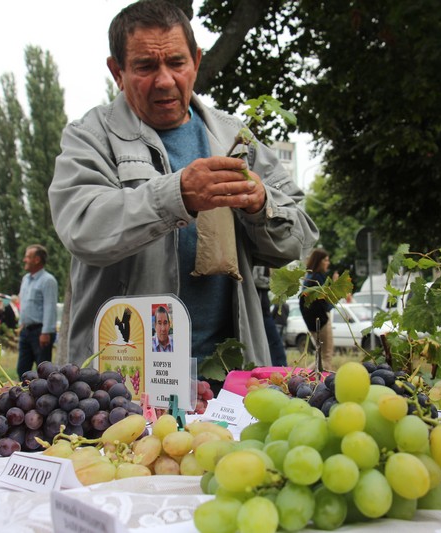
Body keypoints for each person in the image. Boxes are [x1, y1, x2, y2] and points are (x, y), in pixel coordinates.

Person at [49, 0, 318, 367]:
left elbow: (300, 239)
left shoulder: (234, 137)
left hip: (229, 374)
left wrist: (260, 204)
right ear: (117, 71)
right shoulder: (91, 137)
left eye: (176, 62)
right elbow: (82, 228)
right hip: (126, 375)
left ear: (196, 60)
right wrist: (177, 196)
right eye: (145, 66)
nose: (164, 80)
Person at [17, 244, 58, 378]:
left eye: (28, 257)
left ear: (37, 260)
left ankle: (43, 397)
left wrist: (46, 332)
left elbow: (50, 306)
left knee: (44, 372)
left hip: (40, 333)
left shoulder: (48, 280)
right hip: (26, 331)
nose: (24, 260)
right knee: (22, 369)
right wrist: (21, 324)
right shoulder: (25, 279)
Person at [300, 248, 336, 370]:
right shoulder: (317, 279)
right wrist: (336, 289)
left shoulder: (308, 278)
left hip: (313, 323)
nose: (328, 263)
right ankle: (320, 382)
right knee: (326, 356)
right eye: (325, 260)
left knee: (320, 357)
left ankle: (303, 376)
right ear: (319, 261)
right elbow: (327, 302)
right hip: (321, 321)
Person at [253, 265, 287, 366]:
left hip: (263, 308)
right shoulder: (260, 261)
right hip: (259, 309)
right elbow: (255, 278)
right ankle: (281, 371)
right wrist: (276, 283)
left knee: (273, 343)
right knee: (275, 344)